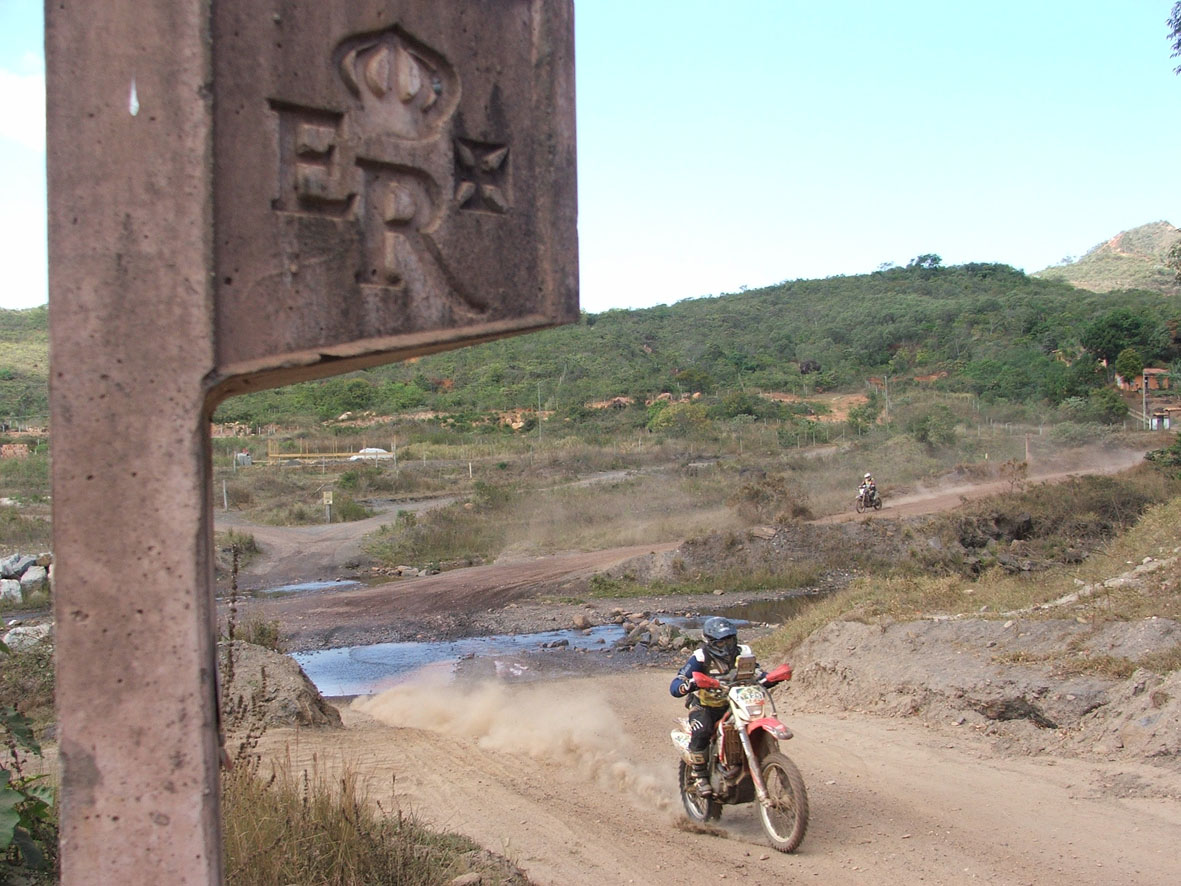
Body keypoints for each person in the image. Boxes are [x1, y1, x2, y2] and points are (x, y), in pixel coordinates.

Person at [669, 616, 751, 796]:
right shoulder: (700, 657)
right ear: (711, 642)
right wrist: (687, 685)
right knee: (702, 729)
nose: (726, 646)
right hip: (705, 706)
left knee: (753, 720)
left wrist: (771, 677)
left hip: (735, 704)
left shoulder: (743, 653)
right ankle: (700, 776)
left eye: (729, 640)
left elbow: (757, 671)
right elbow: (677, 682)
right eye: (721, 642)